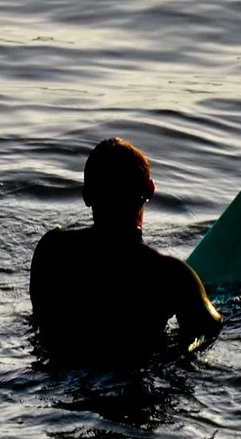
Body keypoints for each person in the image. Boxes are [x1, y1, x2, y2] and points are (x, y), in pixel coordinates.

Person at [29, 137, 225, 361]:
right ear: (150, 190)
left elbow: (39, 322)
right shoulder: (171, 275)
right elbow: (209, 330)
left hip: (61, 371)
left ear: (86, 196)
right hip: (132, 378)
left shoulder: (52, 249)